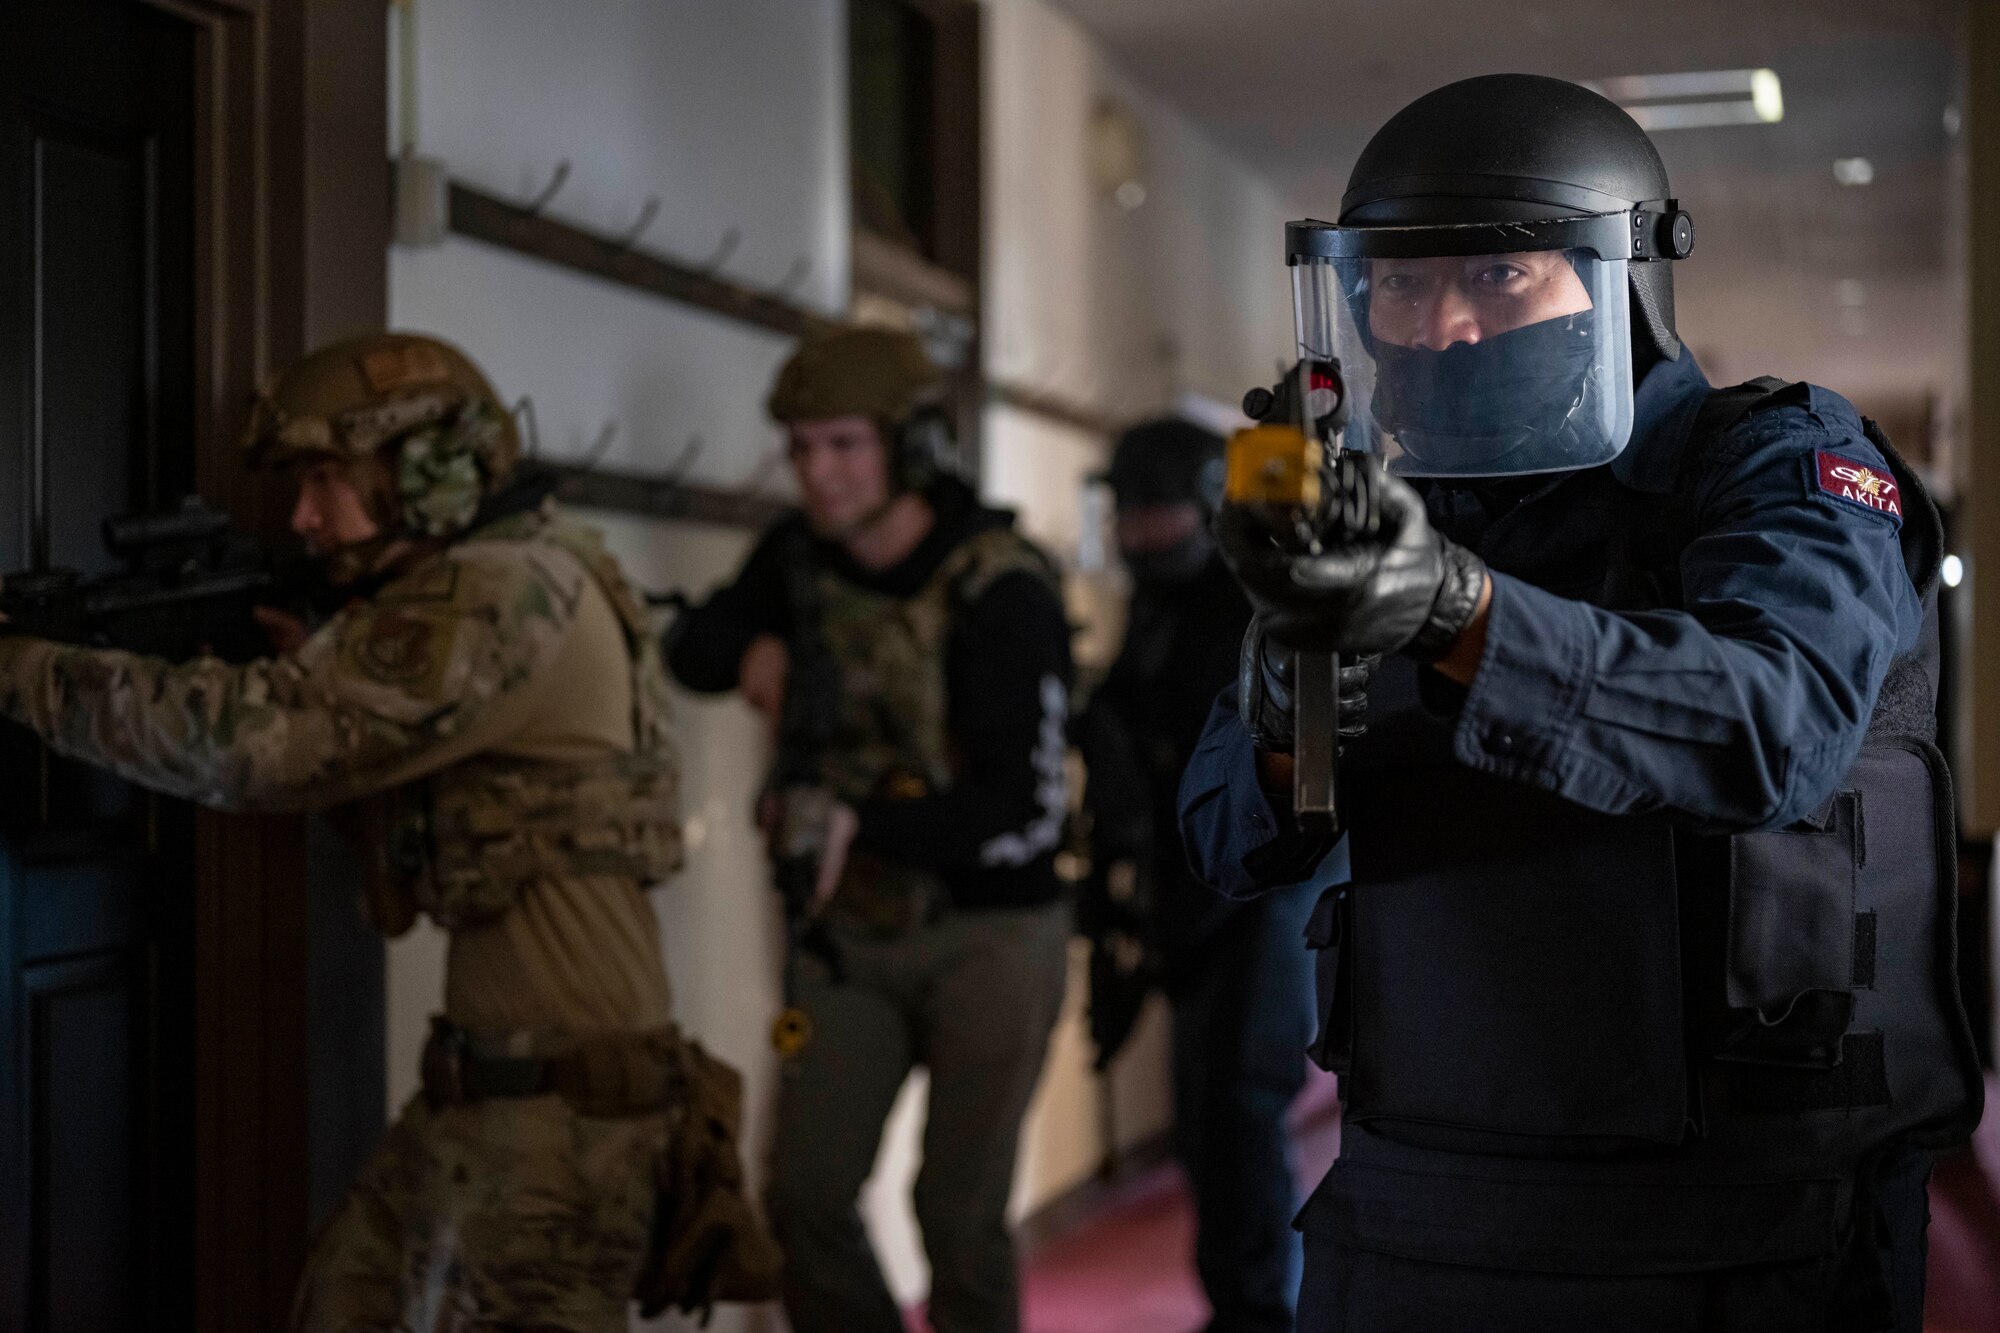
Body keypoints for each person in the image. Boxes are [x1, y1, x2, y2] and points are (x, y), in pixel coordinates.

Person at [1179, 75, 1983, 1333]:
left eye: (1497, 276)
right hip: (1413, 1213)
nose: (1438, 324)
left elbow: (1770, 731)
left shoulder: (1776, 468)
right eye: (1399, 279)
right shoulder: (1381, 514)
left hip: (1730, 1225)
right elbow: (1228, 840)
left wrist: (1451, 613)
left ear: (1618, 283)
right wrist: (1293, 687)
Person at [0, 332, 764, 1332]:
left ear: (432, 472)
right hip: (498, 1100)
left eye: (326, 479)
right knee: (342, 1303)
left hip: (561, 1127)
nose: (304, 516)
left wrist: (23, 671)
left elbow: (257, 748)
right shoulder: (543, 564)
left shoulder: (499, 590)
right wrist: (328, 661)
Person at [667, 326, 1074, 1333]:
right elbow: (691, 644)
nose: (816, 472)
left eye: (843, 444)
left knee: (959, 1218)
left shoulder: (999, 584)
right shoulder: (796, 558)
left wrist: (862, 819)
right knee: (803, 1199)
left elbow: (1022, 810)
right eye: (800, 447)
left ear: (912, 447)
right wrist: (752, 646)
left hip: (988, 936)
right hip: (845, 936)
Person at [1076, 418, 1317, 1333]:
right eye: (1132, 518)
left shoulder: (1242, 601)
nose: (1144, 534)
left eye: (1162, 515)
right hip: (1198, 894)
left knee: (1242, 1111)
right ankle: (1243, 1302)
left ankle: (1258, 1310)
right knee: (1210, 1122)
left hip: (1257, 897)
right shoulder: (1161, 607)